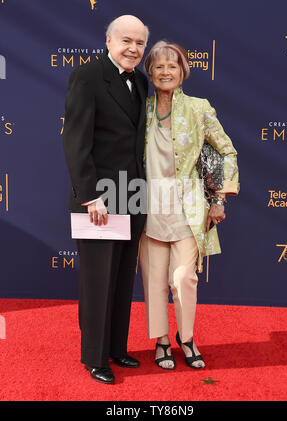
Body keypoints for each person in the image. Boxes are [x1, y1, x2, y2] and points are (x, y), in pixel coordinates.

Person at [140, 41, 239, 370]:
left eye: (172, 66)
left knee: (183, 278)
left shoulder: (199, 108)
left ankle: (186, 337)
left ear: (183, 72)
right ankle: (162, 340)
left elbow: (226, 151)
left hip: (188, 206)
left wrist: (219, 197)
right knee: (154, 278)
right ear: (150, 73)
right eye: (158, 66)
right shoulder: (141, 110)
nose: (165, 72)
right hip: (148, 205)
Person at [62, 15, 149, 384]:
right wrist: (91, 196)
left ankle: (116, 348)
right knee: (98, 281)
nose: (133, 49)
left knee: (122, 280)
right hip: (100, 198)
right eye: (126, 40)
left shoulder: (141, 81)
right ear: (109, 40)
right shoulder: (88, 75)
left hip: (133, 194)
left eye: (140, 43)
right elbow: (75, 141)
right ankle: (94, 357)